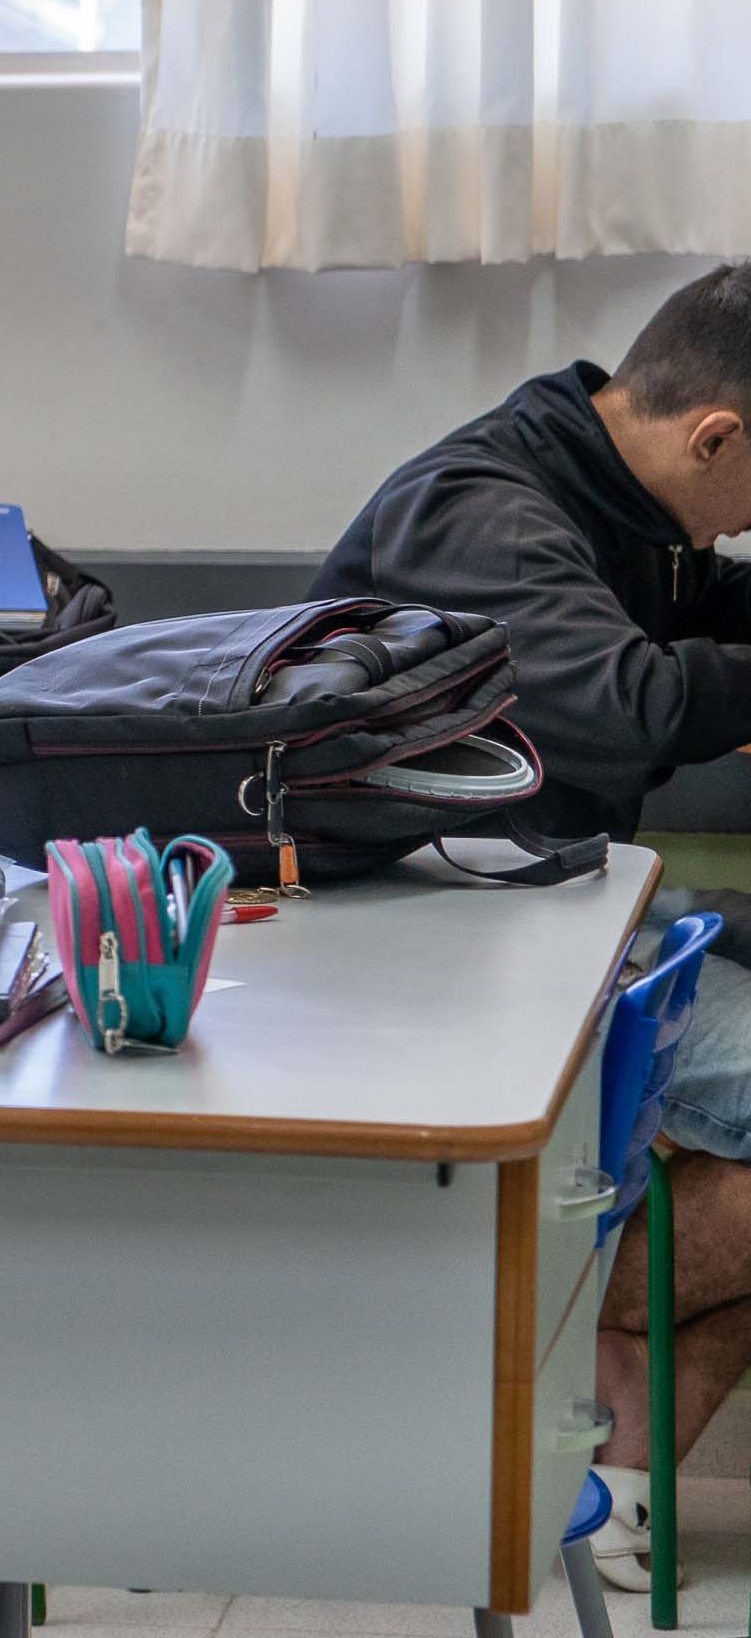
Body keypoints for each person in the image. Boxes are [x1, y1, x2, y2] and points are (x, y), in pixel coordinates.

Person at [311, 259, 751, 1590]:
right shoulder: (486, 514)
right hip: (450, 949)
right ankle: (520, 1310)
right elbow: (628, 705)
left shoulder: (618, 498)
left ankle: (612, 1467)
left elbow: (712, 618)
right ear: (716, 437)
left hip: (564, 914)